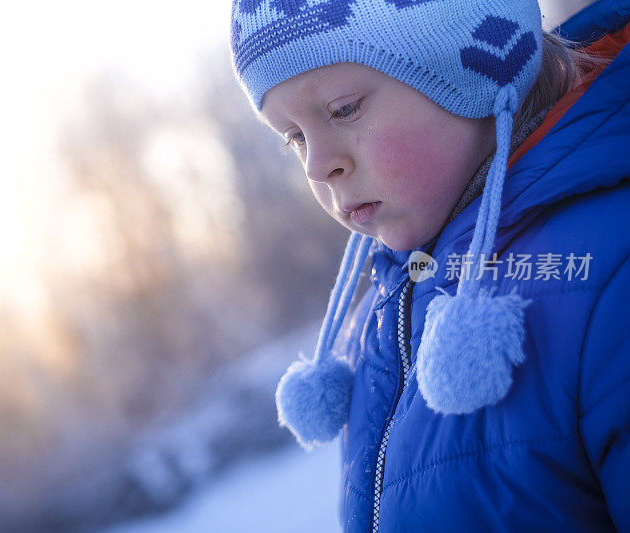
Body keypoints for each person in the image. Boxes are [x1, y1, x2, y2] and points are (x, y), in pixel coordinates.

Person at [229, 0, 630, 531]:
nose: (318, 165)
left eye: (344, 109)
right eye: (294, 137)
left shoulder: (609, 271)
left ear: (479, 71)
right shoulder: (389, 305)